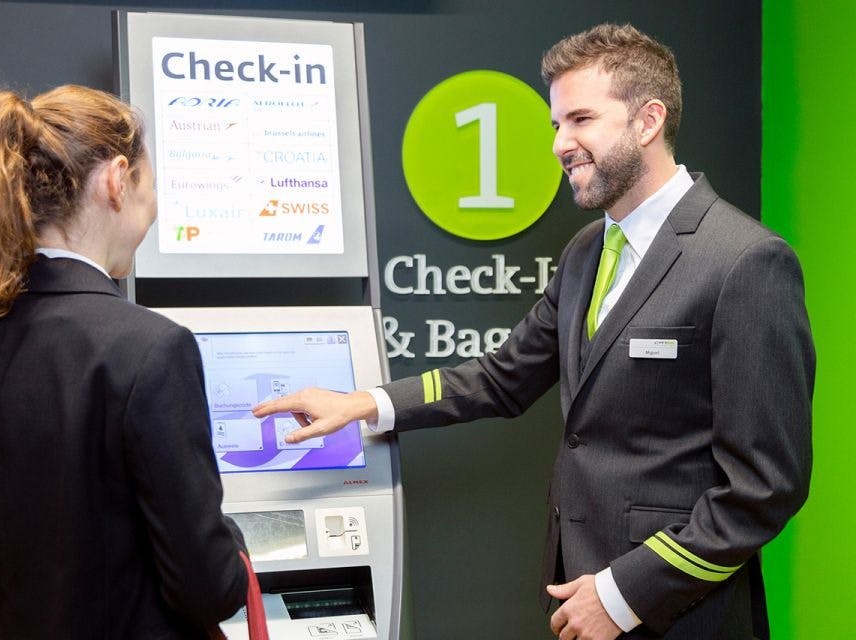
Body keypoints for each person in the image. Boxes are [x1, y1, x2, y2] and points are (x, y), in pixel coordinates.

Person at [253, 24, 814, 640]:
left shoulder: (744, 261)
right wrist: (363, 404)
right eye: (555, 125)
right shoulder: (586, 252)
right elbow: (504, 376)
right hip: (577, 592)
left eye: (580, 120)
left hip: (677, 611)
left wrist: (625, 593)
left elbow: (765, 489)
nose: (559, 144)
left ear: (648, 121)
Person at [0, 85, 249, 639]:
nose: (154, 209)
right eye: (152, 186)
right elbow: (208, 586)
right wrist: (234, 542)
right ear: (117, 180)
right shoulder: (151, 348)